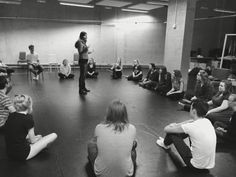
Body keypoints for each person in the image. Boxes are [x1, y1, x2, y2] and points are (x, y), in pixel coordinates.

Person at [156, 99, 216, 170]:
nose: (189, 110)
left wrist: (174, 125)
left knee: (172, 133)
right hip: (209, 165)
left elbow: (166, 129)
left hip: (195, 165)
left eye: (190, 108)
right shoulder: (207, 121)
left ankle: (165, 144)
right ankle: (165, 143)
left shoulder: (191, 126)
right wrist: (178, 124)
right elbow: (191, 122)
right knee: (186, 131)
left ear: (194, 111)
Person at [87, 100, 137, 177]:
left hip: (100, 174)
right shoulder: (132, 128)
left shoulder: (99, 127)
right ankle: (127, 167)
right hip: (126, 174)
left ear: (109, 113)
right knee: (133, 148)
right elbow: (134, 145)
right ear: (125, 114)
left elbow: (96, 145)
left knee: (91, 144)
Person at [4, 94, 57, 161]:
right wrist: (38, 138)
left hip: (10, 153)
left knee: (35, 136)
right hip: (23, 154)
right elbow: (33, 141)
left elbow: (15, 132)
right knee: (53, 135)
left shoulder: (11, 115)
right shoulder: (28, 118)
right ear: (29, 105)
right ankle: (40, 146)